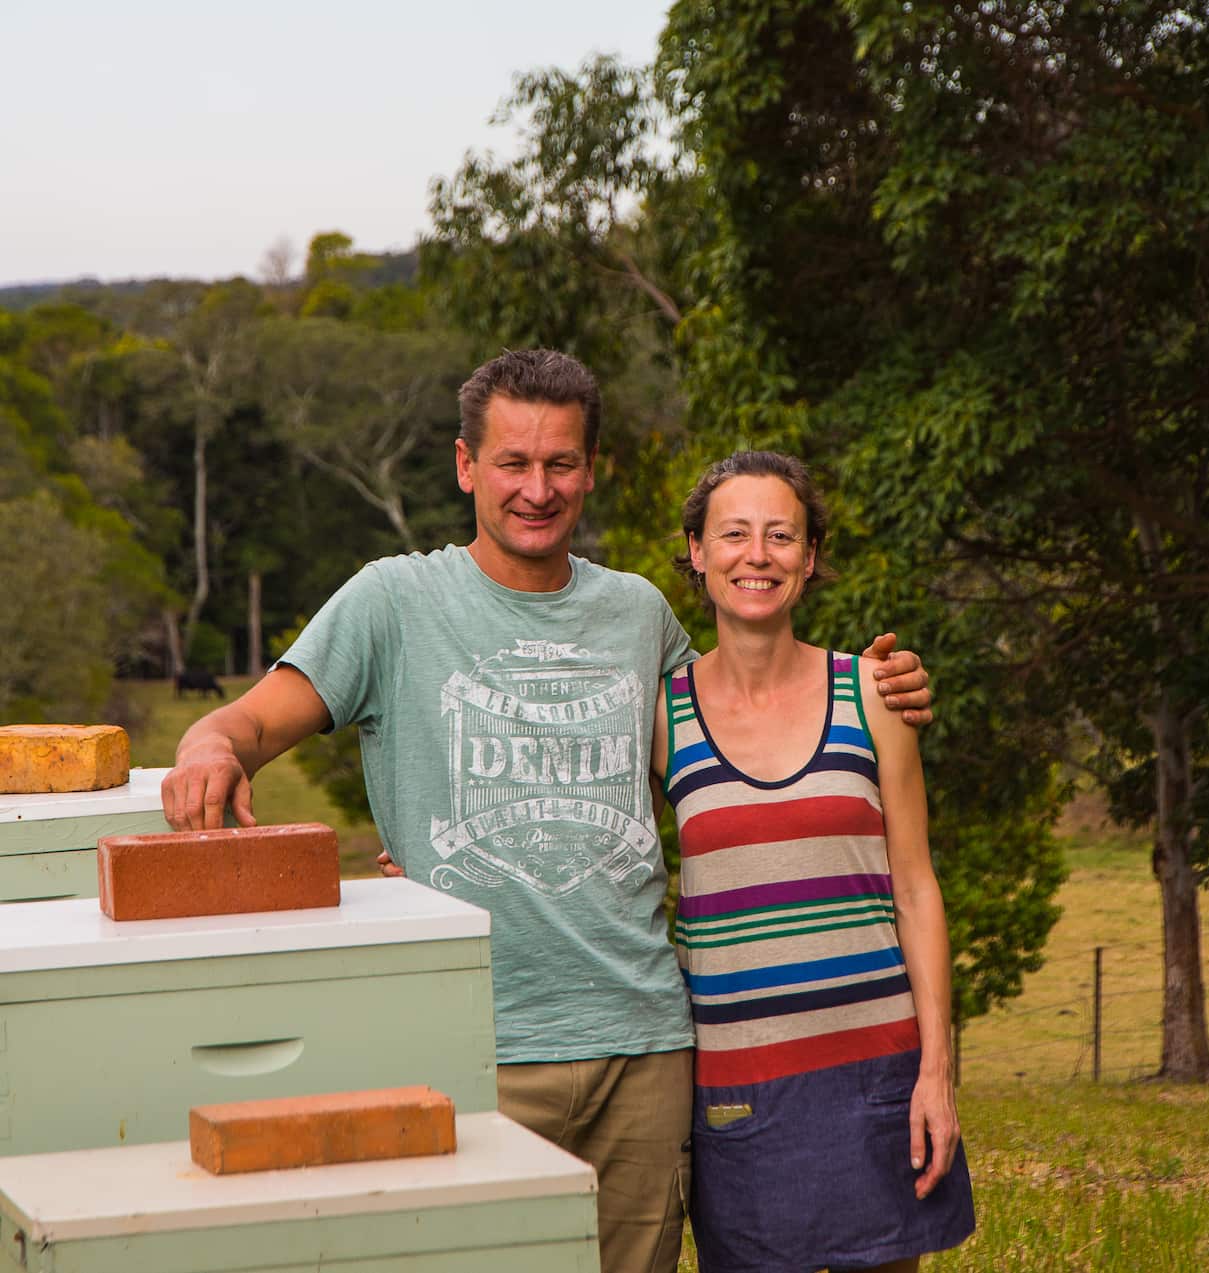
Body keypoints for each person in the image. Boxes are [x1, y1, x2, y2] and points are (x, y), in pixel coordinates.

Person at [161, 351, 934, 1273]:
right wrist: (209, 746)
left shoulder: (637, 612)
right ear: (465, 465)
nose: (538, 488)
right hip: (475, 1046)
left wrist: (874, 689)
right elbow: (248, 722)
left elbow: (741, 721)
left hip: (646, 1048)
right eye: (513, 463)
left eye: (561, 463)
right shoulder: (393, 601)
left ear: (589, 470)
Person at [652, 450, 973, 1273]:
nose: (757, 555)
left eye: (781, 535)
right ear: (696, 551)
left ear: (810, 555)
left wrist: (936, 1071)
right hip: (739, 1089)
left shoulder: (874, 694)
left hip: (877, 1079)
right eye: (733, 534)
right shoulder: (661, 716)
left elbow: (916, 888)